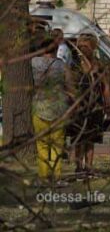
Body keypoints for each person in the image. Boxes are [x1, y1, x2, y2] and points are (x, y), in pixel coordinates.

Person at [69, 34, 110, 178]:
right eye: (80, 46)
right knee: (79, 138)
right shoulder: (74, 65)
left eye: (85, 46)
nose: (82, 49)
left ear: (93, 47)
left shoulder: (99, 64)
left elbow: (105, 85)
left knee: (92, 138)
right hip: (79, 106)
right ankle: (78, 166)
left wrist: (108, 103)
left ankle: (89, 167)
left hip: (96, 106)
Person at [31, 37, 70, 184]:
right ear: (55, 50)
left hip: (39, 107)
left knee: (41, 145)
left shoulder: (33, 63)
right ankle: (56, 178)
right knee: (57, 146)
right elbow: (70, 84)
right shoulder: (61, 65)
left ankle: (43, 177)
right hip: (59, 109)